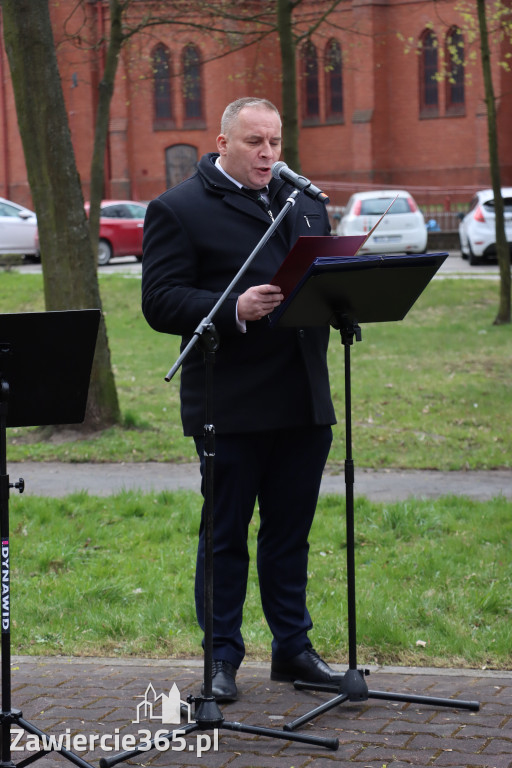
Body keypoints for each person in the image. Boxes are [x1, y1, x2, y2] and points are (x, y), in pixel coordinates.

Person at [142, 97, 341, 702]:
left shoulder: (304, 204)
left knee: (289, 533)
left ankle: (294, 648)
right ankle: (221, 656)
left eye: (275, 142)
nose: (268, 154)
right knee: (224, 535)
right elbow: (160, 300)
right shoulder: (178, 209)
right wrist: (231, 309)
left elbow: (321, 279)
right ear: (223, 141)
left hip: (302, 399)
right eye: (255, 141)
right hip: (228, 402)